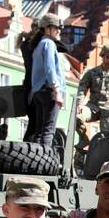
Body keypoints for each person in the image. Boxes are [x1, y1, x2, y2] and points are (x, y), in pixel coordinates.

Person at [75, 45, 109, 141]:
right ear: (102, 57)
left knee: (108, 139)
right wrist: (79, 104)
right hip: (93, 107)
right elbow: (82, 88)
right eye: (107, 58)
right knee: (77, 117)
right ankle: (84, 140)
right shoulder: (92, 73)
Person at [26, 14, 64, 152]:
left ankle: (35, 160)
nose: (59, 30)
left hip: (38, 92)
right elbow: (50, 69)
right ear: (47, 28)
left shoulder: (38, 45)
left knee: (39, 132)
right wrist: (57, 91)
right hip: (48, 92)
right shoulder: (49, 44)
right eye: (56, 28)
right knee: (48, 132)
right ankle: (43, 163)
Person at [18, 17, 45, 138]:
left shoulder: (26, 44)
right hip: (34, 87)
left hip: (28, 86)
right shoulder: (32, 46)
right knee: (36, 123)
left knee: (33, 122)